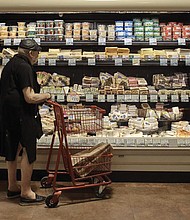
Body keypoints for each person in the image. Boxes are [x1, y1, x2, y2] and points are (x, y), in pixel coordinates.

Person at [0, 39, 51, 205]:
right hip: (23, 115)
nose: (37, 56)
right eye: (37, 52)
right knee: (29, 151)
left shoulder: (10, 64)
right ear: (31, 53)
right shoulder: (25, 67)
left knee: (13, 150)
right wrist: (46, 96)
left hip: (9, 115)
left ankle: (13, 186)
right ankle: (26, 192)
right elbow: (29, 97)